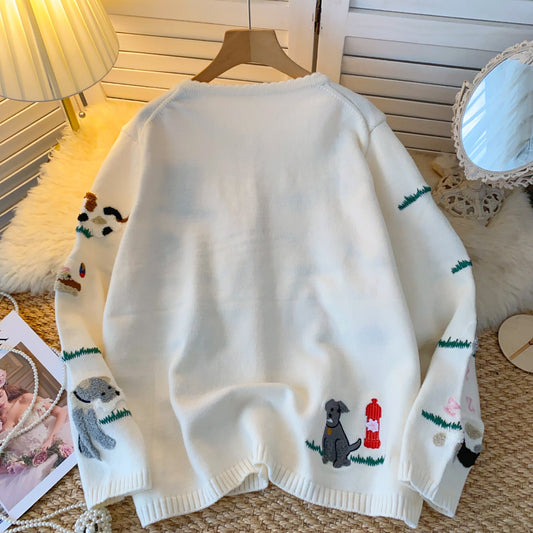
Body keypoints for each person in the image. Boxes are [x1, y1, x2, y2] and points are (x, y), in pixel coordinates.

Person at [0, 371, 73, 510]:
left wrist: (51, 438)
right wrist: (12, 466)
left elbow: (60, 412)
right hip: (28, 468)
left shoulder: (24, 399)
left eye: (0, 395)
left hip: (52, 443)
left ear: (4, 388)